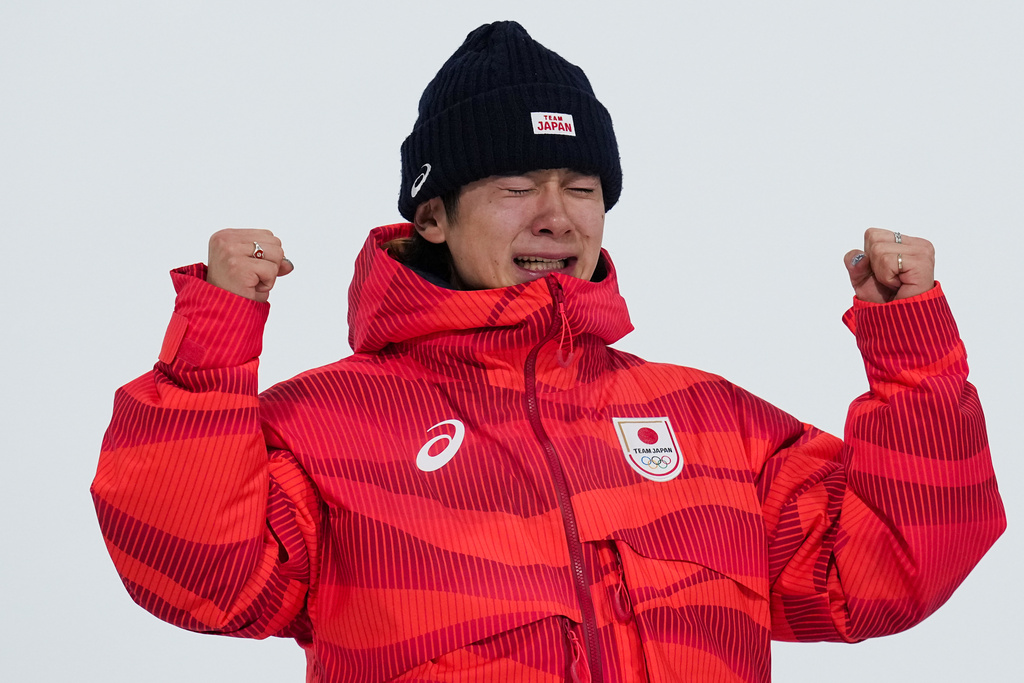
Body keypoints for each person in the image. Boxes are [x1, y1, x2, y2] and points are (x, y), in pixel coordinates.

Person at [91, 21, 1005, 683]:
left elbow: (887, 567)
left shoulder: (709, 422)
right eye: (515, 184)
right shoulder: (329, 425)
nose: (556, 215)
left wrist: (912, 353)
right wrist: (216, 333)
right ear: (433, 215)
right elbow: (199, 575)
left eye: (580, 185)